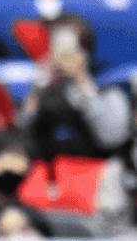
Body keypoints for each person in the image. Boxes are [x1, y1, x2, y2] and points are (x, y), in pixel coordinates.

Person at [19, 14, 130, 160]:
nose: (61, 58)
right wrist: (39, 87)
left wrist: (82, 83)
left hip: (96, 174)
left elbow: (112, 139)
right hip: (50, 175)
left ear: (85, 54)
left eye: (69, 50)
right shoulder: (41, 93)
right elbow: (21, 134)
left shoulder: (109, 93)